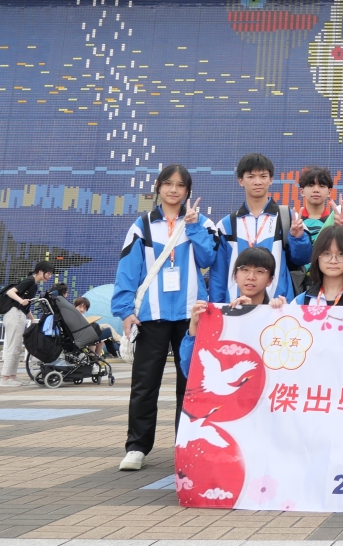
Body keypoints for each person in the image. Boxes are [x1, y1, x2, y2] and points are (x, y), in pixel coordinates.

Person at [112, 164, 217, 472]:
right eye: (168, 183)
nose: (174, 190)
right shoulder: (142, 226)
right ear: (158, 186)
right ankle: (137, 447)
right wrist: (125, 311)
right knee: (145, 384)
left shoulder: (201, 222)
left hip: (191, 316)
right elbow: (128, 270)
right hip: (151, 316)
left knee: (191, 384)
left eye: (180, 185)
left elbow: (209, 259)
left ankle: (187, 444)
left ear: (188, 191)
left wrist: (194, 228)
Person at [210, 153, 311, 304]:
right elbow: (218, 273)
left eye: (263, 176)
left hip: (278, 305)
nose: (257, 182)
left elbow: (303, 259)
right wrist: (217, 307)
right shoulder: (226, 225)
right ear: (240, 180)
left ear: (271, 180)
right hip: (235, 306)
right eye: (251, 177)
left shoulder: (288, 217)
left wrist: (298, 238)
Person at [178, 247, 288, 377]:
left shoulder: (276, 314)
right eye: (244, 269)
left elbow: (287, 367)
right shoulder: (220, 317)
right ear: (235, 276)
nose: (251, 277)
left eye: (259, 271)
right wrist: (194, 327)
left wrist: (285, 319)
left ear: (270, 280)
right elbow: (190, 371)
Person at [0, 261, 55, 387]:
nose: (50, 276)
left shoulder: (33, 284)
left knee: (17, 347)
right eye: (49, 273)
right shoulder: (30, 281)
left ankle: (12, 377)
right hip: (15, 314)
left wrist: (32, 318)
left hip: (19, 314)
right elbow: (10, 292)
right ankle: (5, 379)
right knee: (13, 347)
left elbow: (26, 304)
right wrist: (21, 300)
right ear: (41, 271)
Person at [292, 224, 343, 308]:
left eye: (341, 254)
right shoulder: (302, 301)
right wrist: (284, 309)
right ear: (317, 257)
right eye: (327, 253)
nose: (333, 261)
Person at [296, 166, 338, 240]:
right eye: (311, 185)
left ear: (329, 192)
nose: (316, 190)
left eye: (321, 186)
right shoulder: (294, 223)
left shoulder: (335, 222)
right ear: (302, 191)